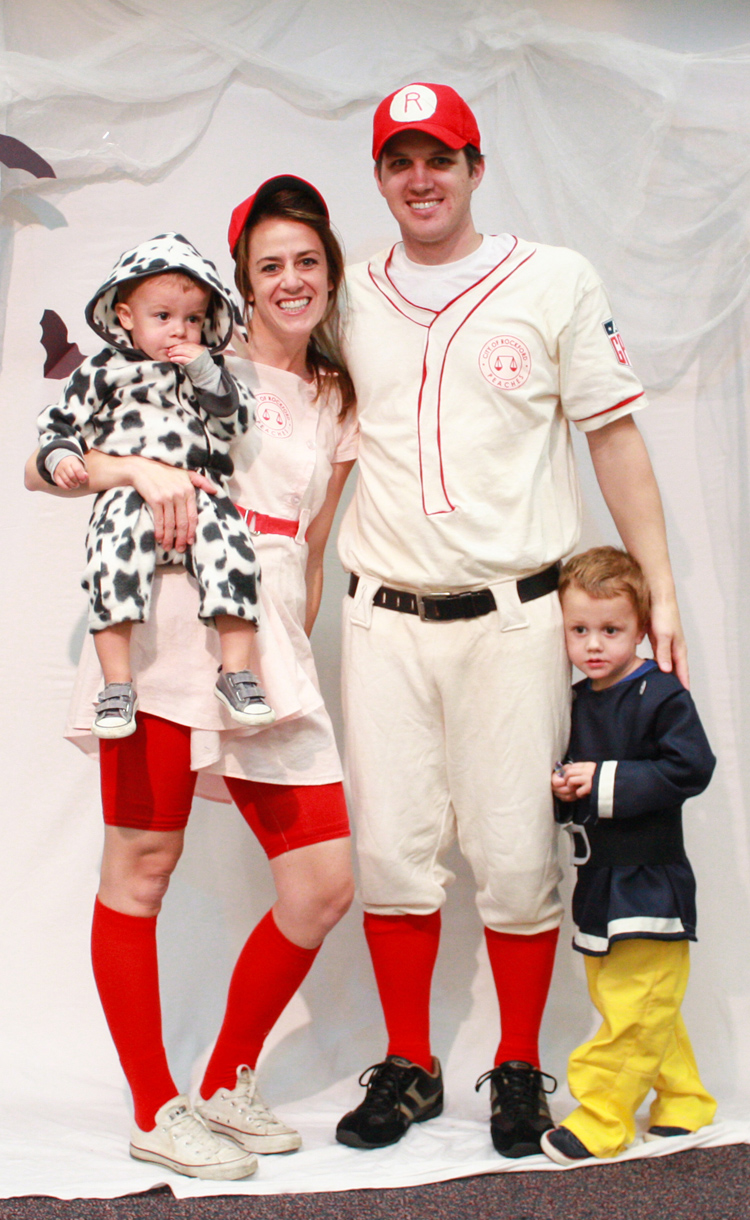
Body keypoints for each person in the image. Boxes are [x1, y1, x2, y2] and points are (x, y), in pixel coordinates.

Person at [335, 82, 688, 1158]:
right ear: (382, 177)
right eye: (400, 160)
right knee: (392, 857)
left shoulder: (553, 279)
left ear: (476, 166)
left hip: (514, 620)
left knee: (519, 855)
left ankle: (521, 1065)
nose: (422, 177)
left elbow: (612, 436)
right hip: (382, 619)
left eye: (440, 156)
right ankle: (409, 1063)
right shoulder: (343, 295)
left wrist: (659, 586)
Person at [25, 175, 357, 1181]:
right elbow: (44, 464)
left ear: (329, 275)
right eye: (269, 266)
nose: (290, 280)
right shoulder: (183, 356)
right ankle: (151, 1104)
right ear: (240, 286)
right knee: (141, 867)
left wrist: (284, 646)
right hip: (165, 632)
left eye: (307, 260)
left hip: (263, 653)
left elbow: (313, 547)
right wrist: (141, 473)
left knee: (322, 883)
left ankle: (223, 1081)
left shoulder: (337, 397)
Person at [36, 232, 274, 739]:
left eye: (192, 319)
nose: (179, 331)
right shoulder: (103, 370)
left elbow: (237, 426)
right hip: (126, 494)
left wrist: (208, 375)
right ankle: (117, 685)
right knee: (110, 558)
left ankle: (235, 671)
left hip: (200, 489)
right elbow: (58, 424)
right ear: (126, 316)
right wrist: (61, 458)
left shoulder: (205, 369)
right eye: (162, 317)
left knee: (236, 553)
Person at [542, 547, 716, 1164]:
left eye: (611, 630)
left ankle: (601, 1117)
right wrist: (566, 790)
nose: (594, 645)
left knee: (636, 1005)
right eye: (580, 630)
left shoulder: (660, 692)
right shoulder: (572, 700)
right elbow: (572, 778)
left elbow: (693, 767)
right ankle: (686, 1100)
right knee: (633, 1001)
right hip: (598, 878)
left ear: (641, 628)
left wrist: (606, 780)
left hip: (651, 875)